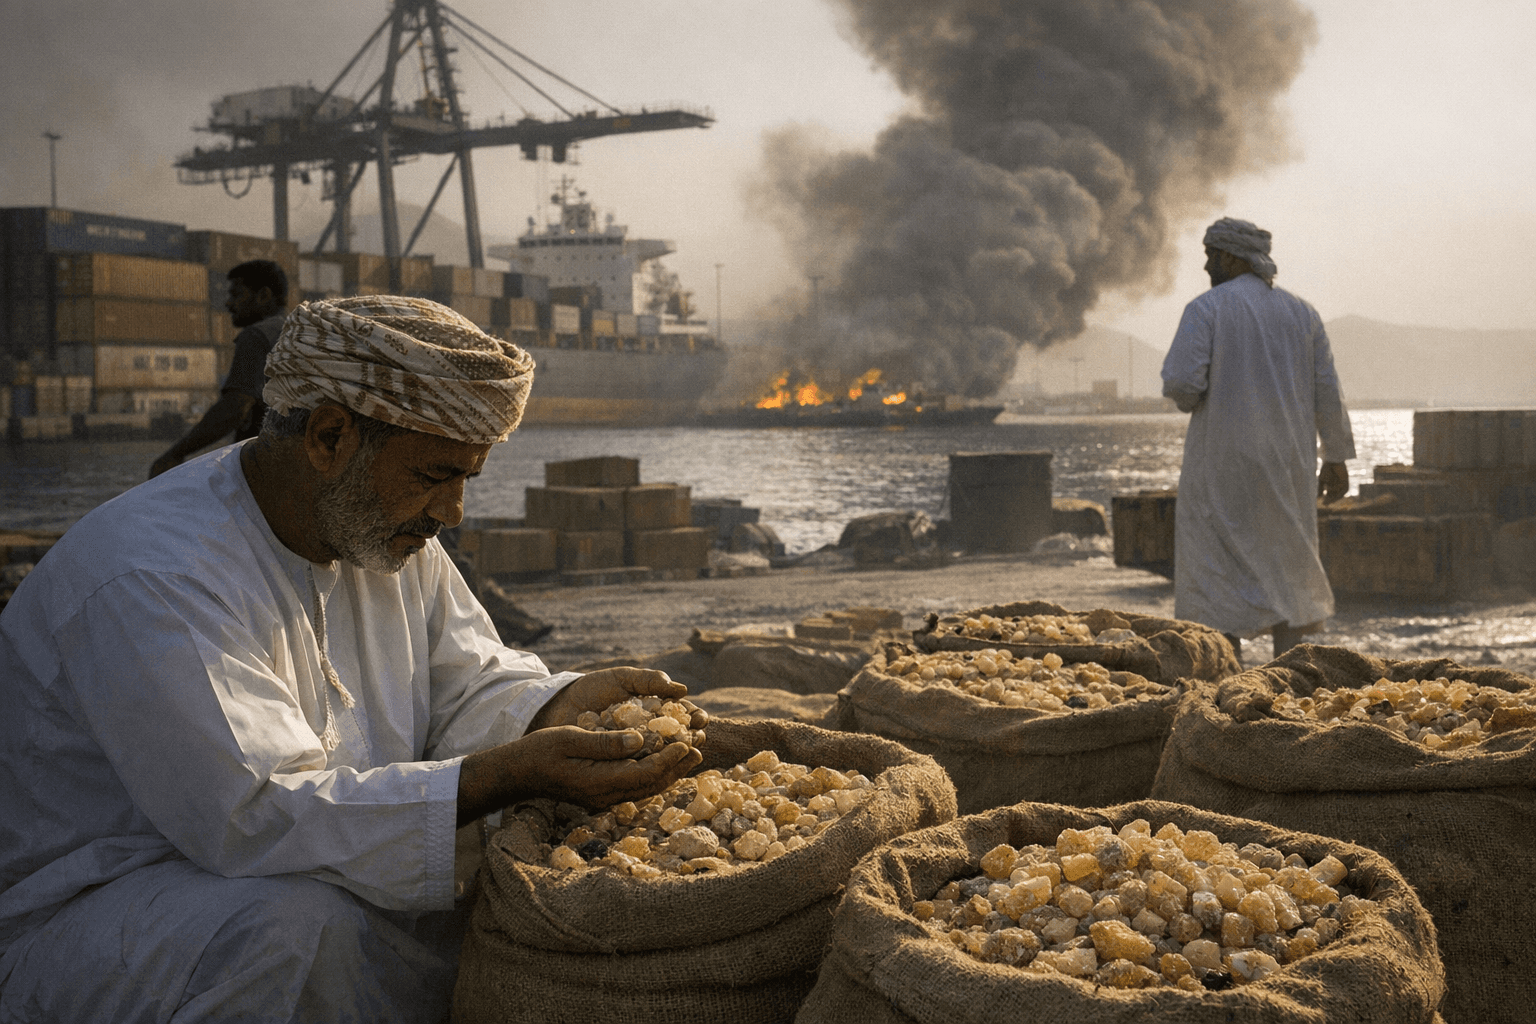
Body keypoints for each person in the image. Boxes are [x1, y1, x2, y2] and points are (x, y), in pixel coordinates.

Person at [0, 296, 704, 1021]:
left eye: (469, 479)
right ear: (331, 437)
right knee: (294, 931)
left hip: (296, 866)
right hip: (100, 913)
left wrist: (555, 706)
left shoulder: (382, 528)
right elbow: (256, 814)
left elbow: (468, 680)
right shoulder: (154, 575)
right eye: (435, 476)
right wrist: (501, 775)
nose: (454, 511)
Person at [1160, 217, 1355, 661]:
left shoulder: (1205, 309)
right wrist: (1337, 458)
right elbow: (1329, 391)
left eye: (1211, 255)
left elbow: (1183, 387)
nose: (1206, 264)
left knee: (1216, 575)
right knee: (1288, 564)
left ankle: (1227, 679)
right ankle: (1288, 679)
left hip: (1223, 464)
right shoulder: (1303, 313)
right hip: (1289, 464)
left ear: (1231, 257)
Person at [148, 259, 290, 479]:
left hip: (264, 473)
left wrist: (174, 454)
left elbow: (236, 407)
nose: (228, 304)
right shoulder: (296, 331)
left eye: (237, 294)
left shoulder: (256, 336)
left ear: (263, 295)